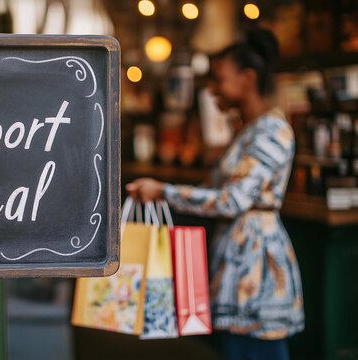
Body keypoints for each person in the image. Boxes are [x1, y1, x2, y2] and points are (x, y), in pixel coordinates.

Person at [126, 28, 304, 360]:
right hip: (237, 270)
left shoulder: (272, 131)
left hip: (257, 276)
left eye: (218, 78)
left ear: (248, 78)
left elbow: (231, 200)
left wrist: (162, 191)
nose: (211, 88)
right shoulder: (248, 131)